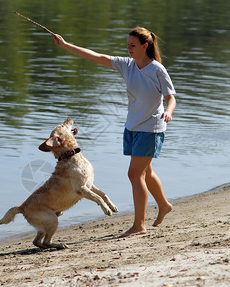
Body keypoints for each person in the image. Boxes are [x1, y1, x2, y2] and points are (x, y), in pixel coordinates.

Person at [53, 27, 176, 237]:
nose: (128, 49)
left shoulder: (157, 69)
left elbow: (171, 97)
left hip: (151, 127)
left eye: (133, 46)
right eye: (127, 45)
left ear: (145, 46)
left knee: (134, 174)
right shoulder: (127, 65)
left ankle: (139, 225)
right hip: (132, 126)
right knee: (146, 172)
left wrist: (168, 111)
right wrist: (65, 46)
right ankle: (164, 205)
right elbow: (97, 57)